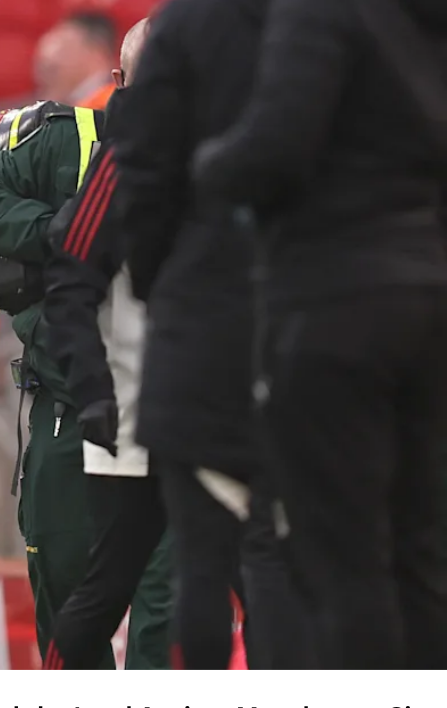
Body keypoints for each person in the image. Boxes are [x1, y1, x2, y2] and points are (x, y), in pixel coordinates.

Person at [192, 0, 447, 669]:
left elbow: (274, 148)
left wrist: (203, 163)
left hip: (333, 300)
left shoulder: (321, 11)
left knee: (340, 554)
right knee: (419, 551)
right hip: (426, 295)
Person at [113, 0, 312, 670]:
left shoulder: (183, 29)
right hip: (309, 316)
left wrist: (162, 285)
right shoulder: (339, 23)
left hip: (200, 319)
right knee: (286, 552)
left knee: (202, 557)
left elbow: (141, 181)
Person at [0, 87, 171, 669]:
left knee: (167, 601)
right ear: (121, 77)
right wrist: (61, 229)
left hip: (173, 413)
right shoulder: (66, 139)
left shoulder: (225, 148)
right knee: (66, 586)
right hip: (72, 404)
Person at [37, 19, 178, 669]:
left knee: (241, 576)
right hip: (131, 413)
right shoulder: (121, 164)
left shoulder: (238, 156)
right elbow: (70, 282)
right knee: (110, 585)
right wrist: (94, 391)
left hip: (215, 411)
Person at [34, 12, 118, 110]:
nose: (49, 60)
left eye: (63, 49)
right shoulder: (31, 109)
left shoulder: (121, 105)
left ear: (97, 53)